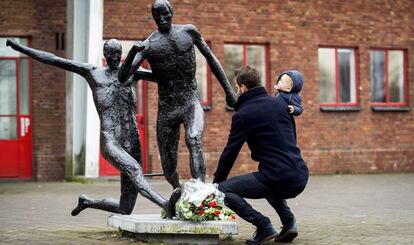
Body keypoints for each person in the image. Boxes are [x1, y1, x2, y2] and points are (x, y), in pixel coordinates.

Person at [7, 38, 181, 218]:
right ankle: (166, 205)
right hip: (110, 139)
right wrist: (19, 47)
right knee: (135, 169)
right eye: (110, 53)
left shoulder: (132, 72)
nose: (114, 57)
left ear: (122, 55)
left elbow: (163, 77)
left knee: (126, 207)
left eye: (117, 53)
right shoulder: (93, 73)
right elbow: (52, 59)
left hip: (132, 138)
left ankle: (87, 201)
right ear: (104, 55)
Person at [119, 0, 237, 189]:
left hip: (190, 100)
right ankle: (178, 193)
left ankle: (200, 192)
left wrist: (229, 91)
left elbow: (211, 59)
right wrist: (133, 52)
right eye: (157, 16)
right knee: (168, 167)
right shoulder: (149, 44)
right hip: (167, 109)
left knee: (193, 138)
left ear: (171, 12)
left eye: (165, 14)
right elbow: (123, 77)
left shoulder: (188, 32)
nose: (162, 18)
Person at [213, 66, 309, 244]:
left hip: (277, 176)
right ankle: (289, 224)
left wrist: (216, 184)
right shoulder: (281, 105)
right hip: (300, 174)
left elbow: (230, 152)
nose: (236, 91)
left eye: (236, 88)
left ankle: (264, 226)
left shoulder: (243, 114)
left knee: (224, 190)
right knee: (268, 180)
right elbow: (292, 138)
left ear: (243, 87)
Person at [274, 70, 304, 141]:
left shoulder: (292, 96)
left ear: (288, 89)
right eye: (280, 80)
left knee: (289, 135)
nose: (279, 82)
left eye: (282, 82)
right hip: (278, 118)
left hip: (286, 121)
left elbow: (300, 108)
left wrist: (294, 108)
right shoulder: (279, 94)